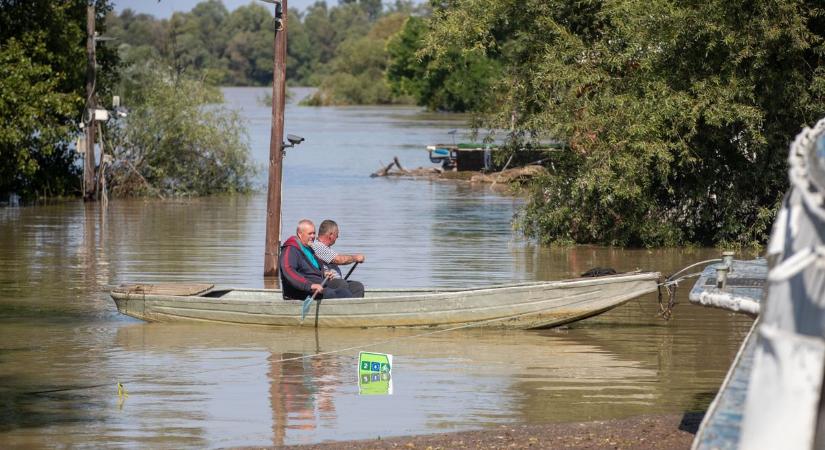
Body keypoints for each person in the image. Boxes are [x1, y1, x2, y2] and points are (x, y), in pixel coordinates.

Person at [278, 219, 354, 300]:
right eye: (310, 234)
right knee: (336, 292)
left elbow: (311, 269)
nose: (313, 236)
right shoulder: (290, 250)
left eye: (314, 233)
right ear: (300, 234)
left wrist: (324, 273)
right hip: (300, 292)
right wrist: (310, 286)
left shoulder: (309, 249)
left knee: (354, 289)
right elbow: (289, 271)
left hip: (319, 285)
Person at [311, 219, 365, 298]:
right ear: (331, 235)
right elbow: (338, 260)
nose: (338, 237)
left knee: (357, 286)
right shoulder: (317, 246)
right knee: (342, 284)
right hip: (325, 282)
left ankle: (355, 308)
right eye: (337, 234)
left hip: (335, 282)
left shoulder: (325, 247)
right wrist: (355, 258)